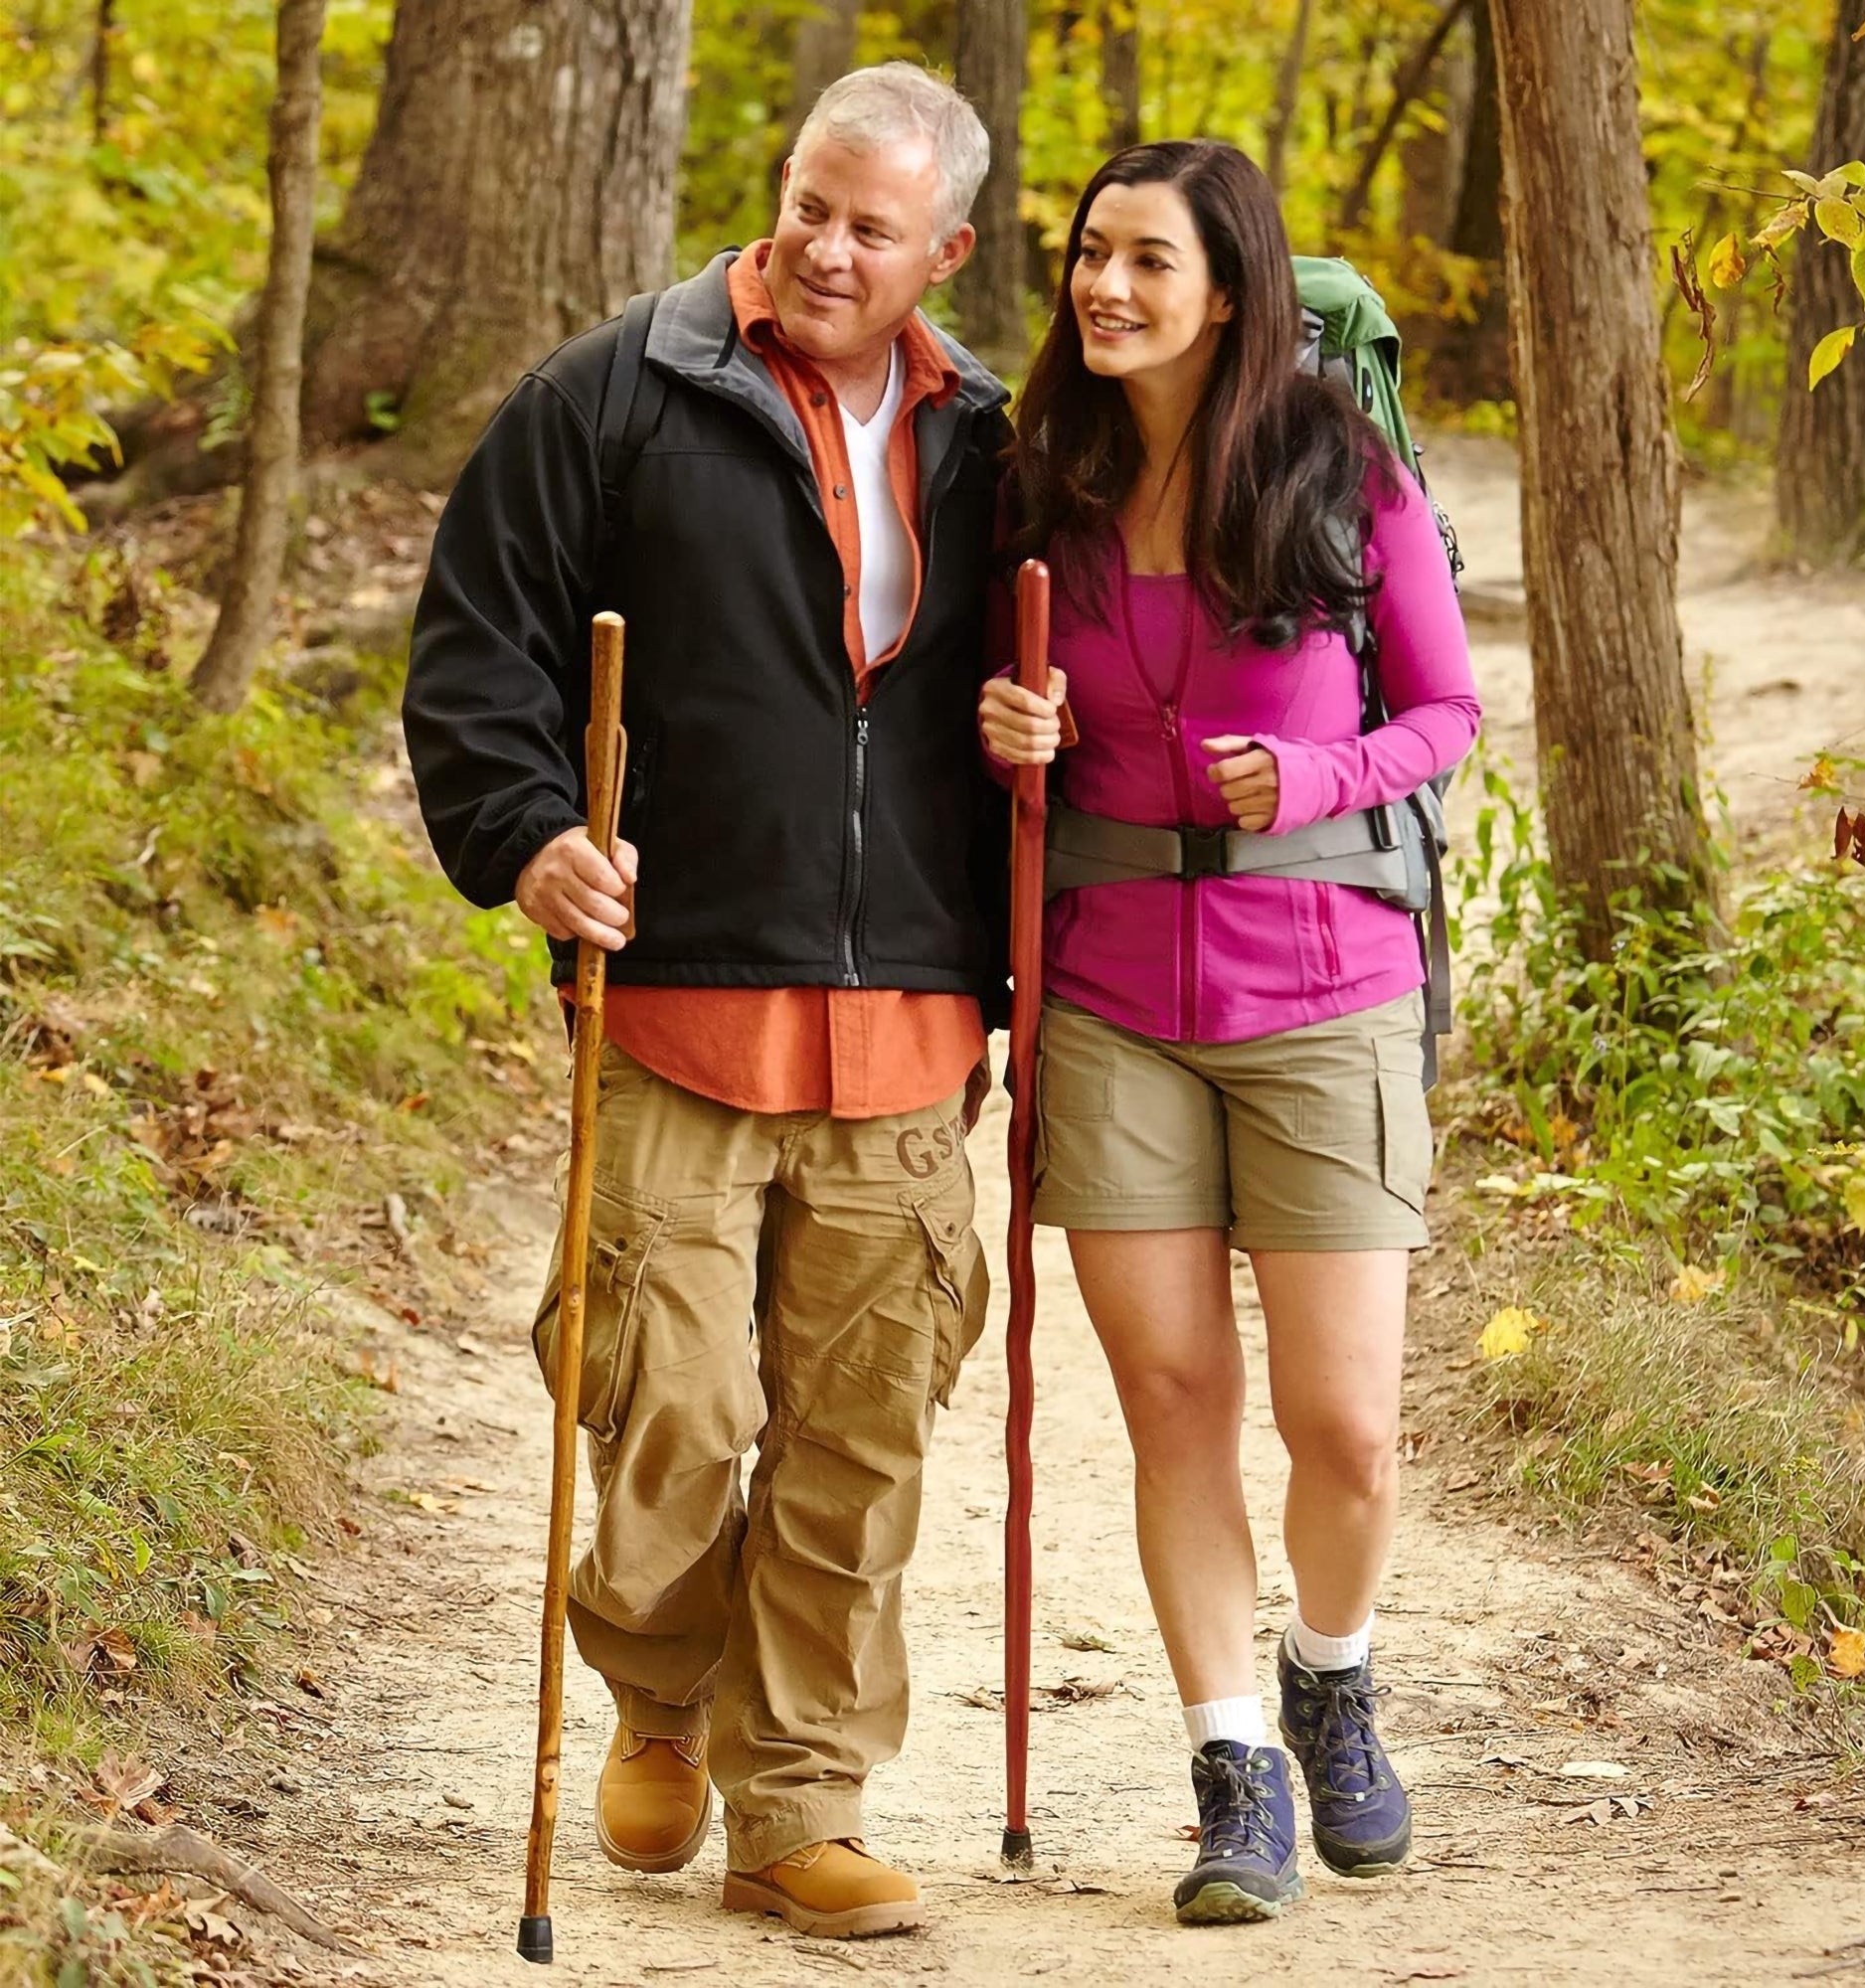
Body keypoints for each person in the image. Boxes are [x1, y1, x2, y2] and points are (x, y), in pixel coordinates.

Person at [404, 63, 1013, 1941]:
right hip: (670, 1002)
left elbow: (1089, 669)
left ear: (947, 252)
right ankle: (660, 1697)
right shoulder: (613, 396)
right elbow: (479, 648)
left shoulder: (997, 440)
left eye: (874, 228)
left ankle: (800, 1799)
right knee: (665, 1409)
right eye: (809, 204)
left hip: (907, 1012)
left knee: (861, 1433)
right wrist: (525, 843)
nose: (826, 249)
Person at [979, 139, 1479, 1925]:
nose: (1103, 289)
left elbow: (1448, 710)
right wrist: (1008, 735)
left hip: (1325, 986)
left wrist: (1324, 775)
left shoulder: (1342, 475)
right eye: (1087, 256)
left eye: (1145, 263)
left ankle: (1331, 1681)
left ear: (1231, 288)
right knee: (1175, 1401)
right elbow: (996, 718)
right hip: (1113, 994)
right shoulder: (1044, 483)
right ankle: (1230, 1776)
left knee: (1347, 1428)